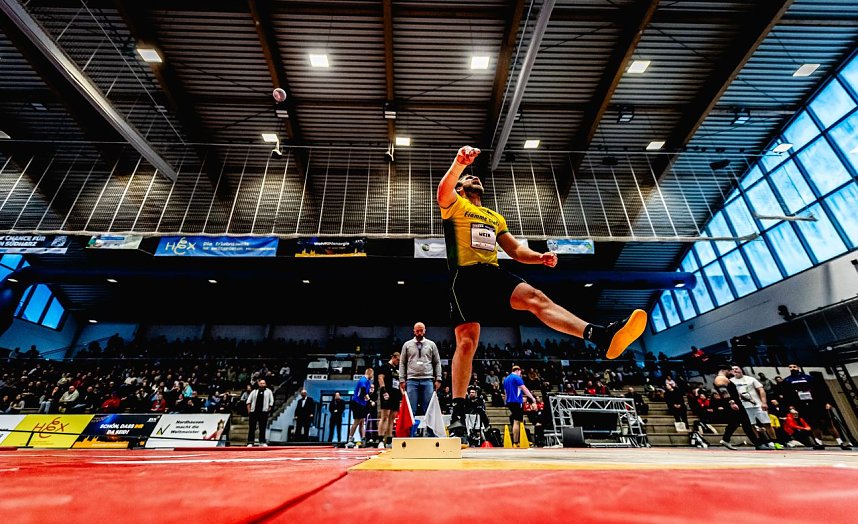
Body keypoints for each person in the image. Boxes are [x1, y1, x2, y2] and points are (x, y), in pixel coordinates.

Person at [437, 146, 647, 444]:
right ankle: (458, 411)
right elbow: (443, 190)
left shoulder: (494, 217)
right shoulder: (455, 205)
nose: (475, 178)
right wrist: (459, 163)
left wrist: (538, 257)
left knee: (536, 297)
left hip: (493, 273)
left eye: (474, 175)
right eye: (468, 177)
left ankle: (600, 336)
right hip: (464, 278)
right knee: (467, 342)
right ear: (460, 186)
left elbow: (514, 250)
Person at [731, 365, 780, 448]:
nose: (735, 370)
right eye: (733, 369)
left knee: (767, 423)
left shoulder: (751, 379)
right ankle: (759, 444)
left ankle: (775, 443)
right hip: (744, 407)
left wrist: (764, 402)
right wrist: (732, 403)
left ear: (741, 369)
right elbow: (730, 394)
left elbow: (761, 390)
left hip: (757, 405)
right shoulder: (730, 381)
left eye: (737, 368)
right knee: (751, 425)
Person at [399, 323, 441, 418]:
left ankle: (431, 432)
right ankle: (410, 433)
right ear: (414, 331)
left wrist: (438, 379)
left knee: (429, 409)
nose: (419, 333)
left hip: (428, 379)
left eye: (421, 330)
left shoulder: (431, 344)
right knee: (410, 410)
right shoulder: (407, 345)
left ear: (425, 331)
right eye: (417, 331)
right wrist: (401, 379)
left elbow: (437, 362)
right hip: (411, 380)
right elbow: (402, 363)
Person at [503, 365, 537, 447]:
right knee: (517, 421)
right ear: (518, 370)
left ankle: (522, 439)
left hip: (510, 402)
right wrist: (532, 398)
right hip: (516, 402)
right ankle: (515, 442)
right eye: (520, 372)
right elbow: (524, 389)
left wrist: (505, 401)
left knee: (520, 420)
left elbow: (505, 392)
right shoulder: (517, 378)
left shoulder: (506, 379)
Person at [375, 351, 402, 448]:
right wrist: (383, 390)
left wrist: (402, 395)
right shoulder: (385, 367)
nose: (398, 362)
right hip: (387, 394)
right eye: (398, 360)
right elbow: (380, 378)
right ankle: (381, 440)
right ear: (393, 357)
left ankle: (389, 440)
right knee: (385, 416)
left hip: (395, 395)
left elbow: (398, 383)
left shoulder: (397, 370)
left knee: (392, 418)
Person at [347, 368, 373, 448]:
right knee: (357, 421)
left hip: (362, 404)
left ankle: (363, 439)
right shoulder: (363, 380)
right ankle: (350, 439)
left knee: (362, 422)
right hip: (357, 403)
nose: (372, 376)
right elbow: (363, 391)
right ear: (369, 373)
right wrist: (370, 400)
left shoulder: (367, 382)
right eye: (372, 374)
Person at [246, 379, 274, 447]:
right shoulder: (254, 391)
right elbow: (248, 401)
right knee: (252, 428)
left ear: (265, 384)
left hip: (263, 412)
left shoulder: (269, 391)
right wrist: (249, 410)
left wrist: (268, 409)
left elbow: (271, 401)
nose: (262, 384)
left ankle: (262, 442)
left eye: (263, 383)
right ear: (258, 384)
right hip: (254, 412)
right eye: (261, 383)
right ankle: (250, 442)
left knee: (262, 427)